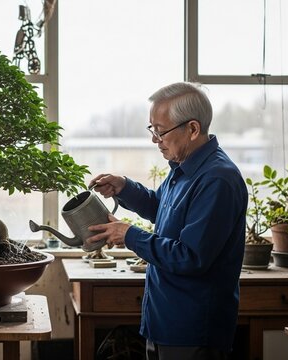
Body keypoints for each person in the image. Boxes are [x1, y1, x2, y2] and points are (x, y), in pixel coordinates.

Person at [86, 82, 247, 360]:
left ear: (193, 129)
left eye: (160, 131)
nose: (154, 140)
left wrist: (128, 235)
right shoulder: (183, 167)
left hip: (192, 328)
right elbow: (161, 208)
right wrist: (124, 187)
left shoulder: (217, 180)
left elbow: (191, 256)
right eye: (152, 129)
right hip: (164, 320)